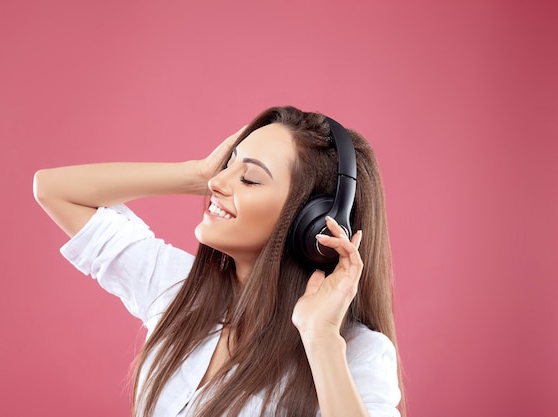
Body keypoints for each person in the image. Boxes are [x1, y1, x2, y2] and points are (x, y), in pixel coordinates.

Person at [33, 106, 404, 417]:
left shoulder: (357, 352)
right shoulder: (177, 290)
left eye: (251, 179)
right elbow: (54, 190)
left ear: (310, 222)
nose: (218, 182)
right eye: (228, 164)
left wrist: (320, 337)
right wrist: (194, 174)